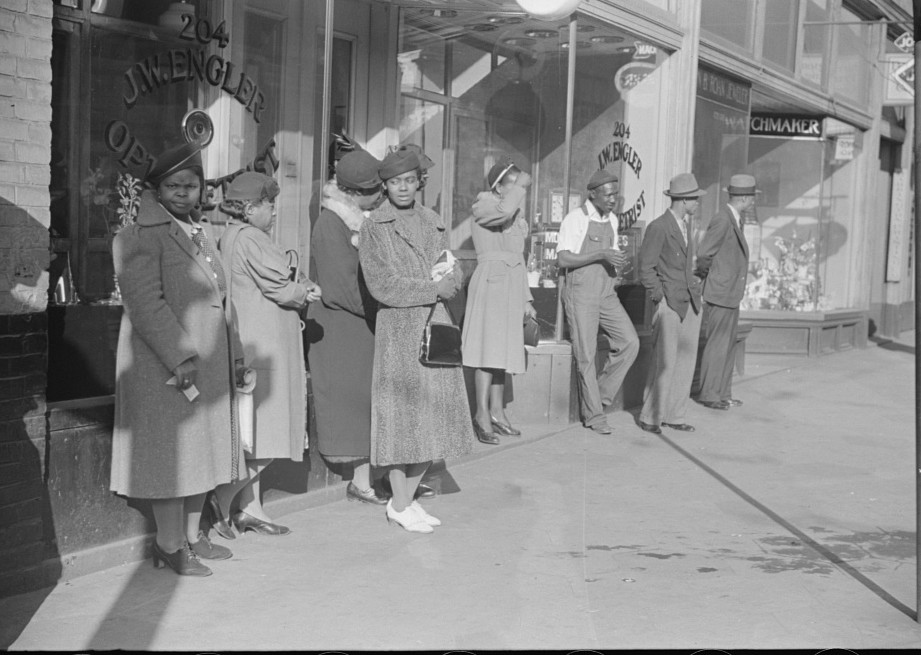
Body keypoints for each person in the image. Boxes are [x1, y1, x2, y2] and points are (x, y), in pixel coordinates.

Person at [110, 141, 244, 576]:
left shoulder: (198, 231)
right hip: (165, 365)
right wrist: (179, 356)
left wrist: (235, 356)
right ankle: (169, 545)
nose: (184, 193)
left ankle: (190, 536)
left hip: (205, 361)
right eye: (174, 185)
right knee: (173, 456)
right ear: (157, 188)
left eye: (192, 184)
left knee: (199, 451)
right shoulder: (139, 235)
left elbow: (222, 300)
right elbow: (145, 302)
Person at [359, 148, 474, 533]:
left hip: (436, 325)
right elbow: (381, 285)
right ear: (385, 186)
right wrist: (433, 288)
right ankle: (402, 502)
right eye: (395, 182)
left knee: (435, 416)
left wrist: (454, 278)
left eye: (409, 180)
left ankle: (402, 502)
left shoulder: (433, 220)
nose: (403, 188)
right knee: (399, 421)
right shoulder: (375, 226)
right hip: (398, 332)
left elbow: (449, 264)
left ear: (419, 182)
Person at [212, 172, 321, 536]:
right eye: (268, 204)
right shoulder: (251, 238)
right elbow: (282, 288)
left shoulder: (232, 236)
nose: (274, 210)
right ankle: (225, 496)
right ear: (250, 208)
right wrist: (305, 291)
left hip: (255, 341)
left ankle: (251, 509)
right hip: (266, 346)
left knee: (256, 433)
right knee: (271, 433)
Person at [307, 150, 388, 505]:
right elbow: (342, 286)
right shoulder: (332, 223)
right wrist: (385, 304)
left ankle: (368, 479)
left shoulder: (352, 219)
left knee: (366, 403)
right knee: (355, 404)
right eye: (377, 190)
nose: (382, 195)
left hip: (359, 323)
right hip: (344, 326)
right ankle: (361, 481)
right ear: (355, 193)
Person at [557, 169, 640, 435]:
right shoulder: (575, 219)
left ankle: (599, 398)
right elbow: (564, 259)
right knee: (587, 355)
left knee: (630, 342)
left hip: (605, 290)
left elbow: (610, 255)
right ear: (593, 194)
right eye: (608, 194)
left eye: (616, 194)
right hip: (581, 291)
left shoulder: (612, 220)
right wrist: (601, 253)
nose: (613, 199)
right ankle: (594, 415)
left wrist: (617, 263)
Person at [462, 158, 535, 445]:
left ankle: (496, 412)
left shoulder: (512, 210)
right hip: (492, 282)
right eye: (513, 182)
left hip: (511, 285)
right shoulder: (484, 205)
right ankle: (481, 414)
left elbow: (518, 259)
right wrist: (520, 189)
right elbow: (502, 213)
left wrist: (526, 298)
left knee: (502, 353)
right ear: (498, 186)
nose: (519, 188)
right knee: (486, 351)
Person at [636, 173, 704, 435]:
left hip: (690, 302)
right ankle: (650, 416)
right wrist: (660, 297)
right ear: (683, 200)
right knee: (665, 361)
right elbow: (646, 268)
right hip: (669, 303)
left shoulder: (685, 226)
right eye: (695, 198)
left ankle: (675, 415)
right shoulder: (659, 227)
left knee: (685, 361)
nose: (697, 202)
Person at [694, 173, 757, 410]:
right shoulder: (723, 219)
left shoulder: (734, 219)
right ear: (744, 198)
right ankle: (710, 394)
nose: (753, 203)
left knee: (728, 344)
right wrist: (710, 277)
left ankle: (722, 393)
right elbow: (704, 254)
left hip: (729, 293)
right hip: (720, 293)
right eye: (752, 198)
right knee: (718, 344)